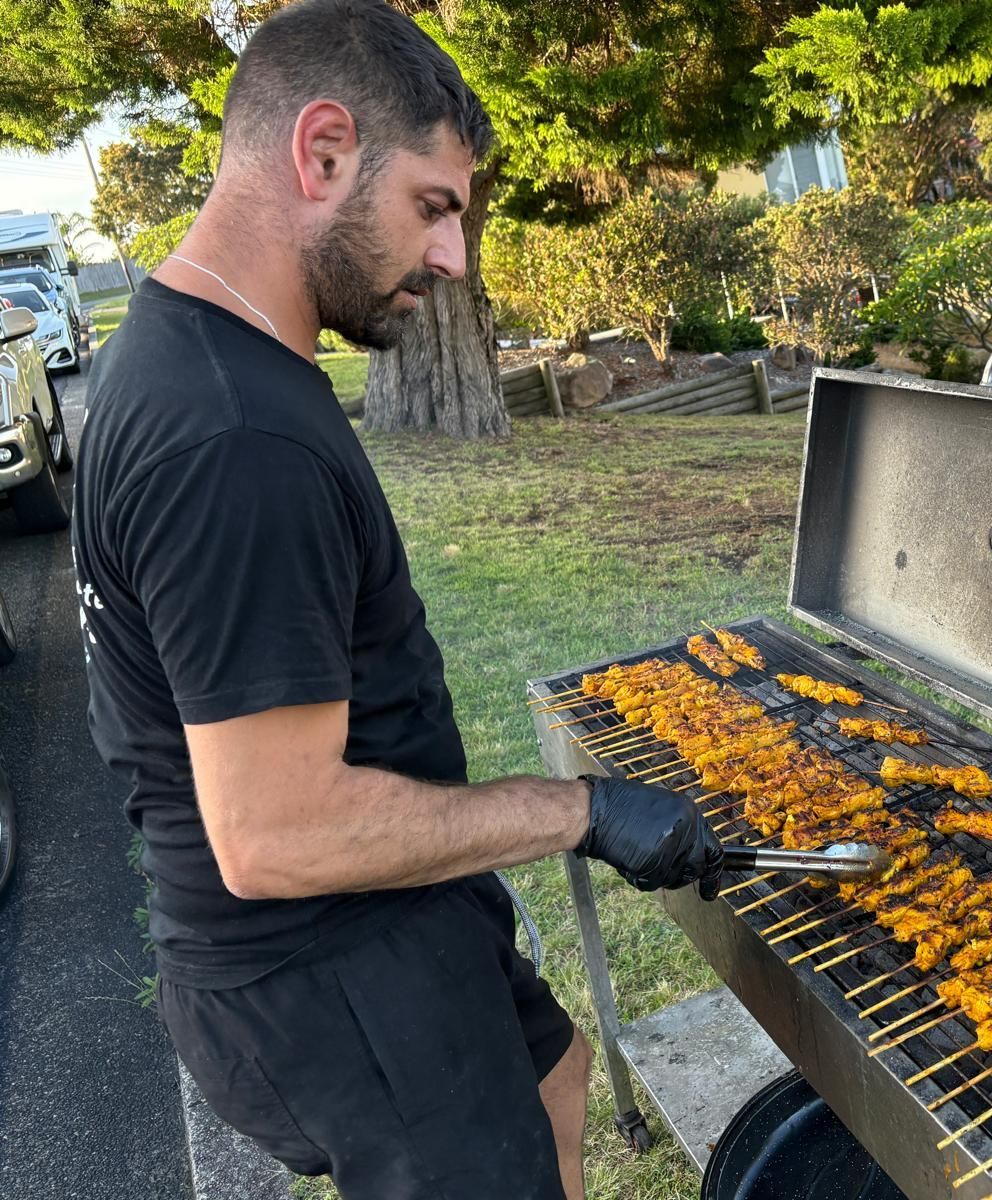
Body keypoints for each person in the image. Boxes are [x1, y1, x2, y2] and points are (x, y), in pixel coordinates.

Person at [70, 3, 725, 1197]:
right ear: (321, 154)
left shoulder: (185, 352)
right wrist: (575, 810)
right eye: (433, 206)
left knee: (555, 1076)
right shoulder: (233, 436)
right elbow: (277, 836)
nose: (453, 257)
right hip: (327, 964)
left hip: (379, 910)